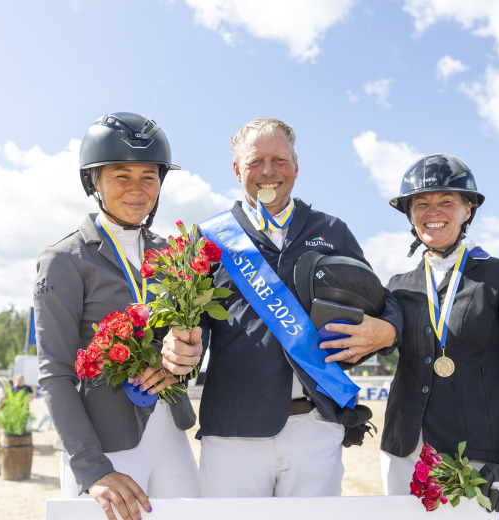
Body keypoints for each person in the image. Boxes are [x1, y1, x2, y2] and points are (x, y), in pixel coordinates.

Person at [161, 117, 402, 497]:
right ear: (237, 169)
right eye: (256, 162)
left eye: (280, 160)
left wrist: (388, 331)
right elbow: (189, 327)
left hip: (316, 429)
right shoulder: (210, 239)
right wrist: (178, 348)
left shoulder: (332, 230)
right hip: (232, 434)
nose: (268, 172)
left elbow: (381, 301)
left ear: (296, 166)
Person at [34, 112, 200, 520]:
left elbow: (195, 331)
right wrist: (93, 469)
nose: (137, 190)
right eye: (121, 176)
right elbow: (54, 373)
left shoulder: (174, 254)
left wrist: (184, 360)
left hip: (171, 433)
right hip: (104, 443)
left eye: (149, 176)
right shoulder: (64, 260)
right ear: (94, 182)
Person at [380, 154, 499, 513]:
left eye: (446, 201)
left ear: (468, 209)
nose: (433, 212)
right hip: (404, 454)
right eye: (421, 204)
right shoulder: (398, 287)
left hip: (481, 458)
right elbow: (369, 345)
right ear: (410, 214)